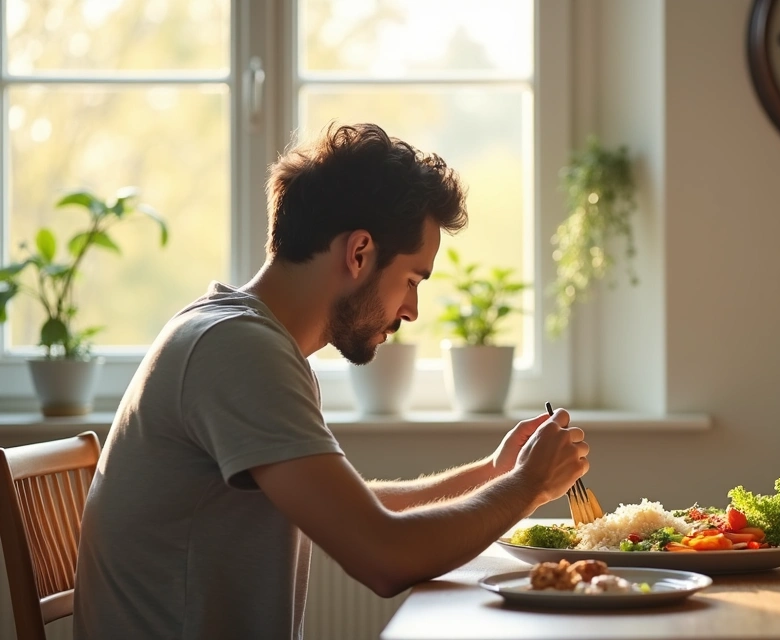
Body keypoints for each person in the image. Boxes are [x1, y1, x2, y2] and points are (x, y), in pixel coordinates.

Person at [72, 123, 590, 639]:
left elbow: (352, 508)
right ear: (359, 252)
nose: (412, 310)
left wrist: (496, 473)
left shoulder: (244, 338)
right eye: (412, 280)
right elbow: (383, 555)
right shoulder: (237, 350)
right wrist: (527, 485)